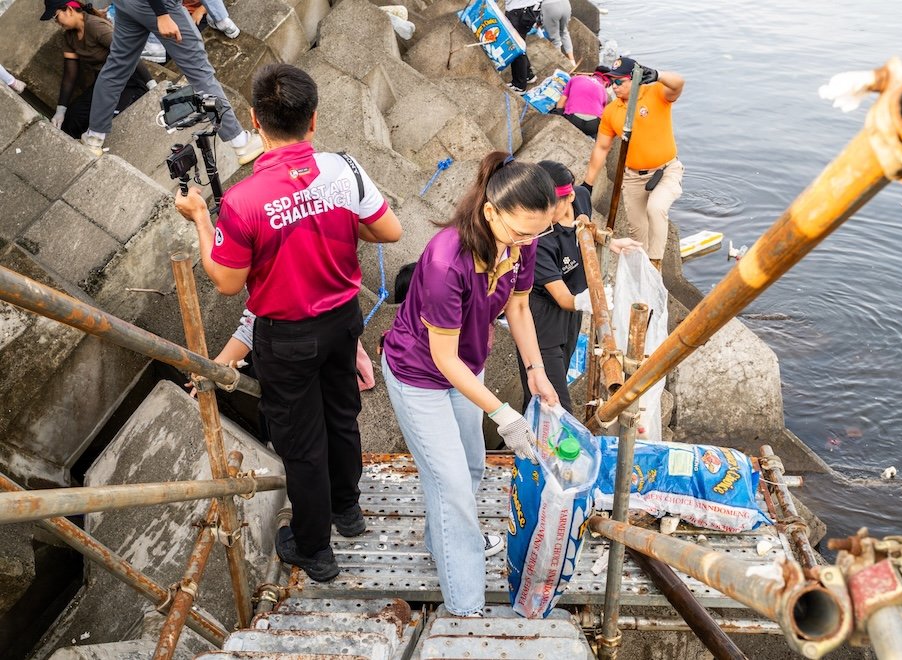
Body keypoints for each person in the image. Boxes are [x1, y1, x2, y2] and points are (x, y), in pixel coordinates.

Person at [174, 63, 403, 582]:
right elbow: (390, 230)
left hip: (286, 336)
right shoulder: (344, 169)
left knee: (301, 443)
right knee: (341, 415)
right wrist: (329, 222)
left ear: (255, 120)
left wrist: (202, 220)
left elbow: (227, 280)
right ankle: (348, 509)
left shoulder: (243, 200)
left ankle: (314, 548)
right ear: (313, 119)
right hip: (343, 320)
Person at [380, 151, 560, 617]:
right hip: (419, 375)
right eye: (521, 232)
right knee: (454, 486)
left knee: (472, 466)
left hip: (469, 364)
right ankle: (465, 609)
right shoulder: (447, 261)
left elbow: (518, 307)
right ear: (491, 212)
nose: (529, 242)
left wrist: (536, 371)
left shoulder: (521, 240)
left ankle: (440, 538)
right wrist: (503, 413)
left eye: (537, 233)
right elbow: (442, 358)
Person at [516, 161, 639, 413]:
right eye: (540, 204)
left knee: (550, 385)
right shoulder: (539, 239)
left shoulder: (581, 197)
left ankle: (531, 432)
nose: (545, 212)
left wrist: (609, 241)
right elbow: (561, 297)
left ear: (569, 196)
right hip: (543, 317)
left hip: (572, 314)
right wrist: (588, 300)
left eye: (552, 205)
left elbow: (586, 224)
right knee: (554, 402)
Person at [78, 0, 261, 164]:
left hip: (126, 5)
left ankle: (94, 137)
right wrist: (162, 14)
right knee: (200, 72)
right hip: (158, 7)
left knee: (116, 67)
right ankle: (240, 142)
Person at [582, 56, 685, 272]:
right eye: (612, 82)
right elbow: (601, 148)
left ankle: (655, 263)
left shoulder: (655, 92)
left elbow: (678, 84)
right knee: (637, 232)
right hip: (633, 177)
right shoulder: (612, 111)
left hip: (666, 170)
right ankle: (642, 271)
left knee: (656, 208)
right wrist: (587, 185)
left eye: (619, 82)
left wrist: (657, 75)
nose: (614, 86)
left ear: (634, 79)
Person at [40, 1, 154, 140]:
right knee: (73, 117)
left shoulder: (95, 26)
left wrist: (151, 84)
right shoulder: (69, 37)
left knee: (110, 119)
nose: (56, 22)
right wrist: (61, 110)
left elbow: (128, 53)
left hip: (128, 80)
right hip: (103, 82)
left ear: (69, 10)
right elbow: (70, 74)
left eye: (56, 16)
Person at [555, 66, 609, 138]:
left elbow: (561, 102)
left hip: (573, 119)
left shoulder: (576, 78)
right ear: (606, 82)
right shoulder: (604, 92)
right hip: (592, 125)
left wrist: (558, 114)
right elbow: (603, 116)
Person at [504, 0, 541, 94]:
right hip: (529, 9)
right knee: (519, 43)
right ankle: (527, 75)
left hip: (519, 10)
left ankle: (519, 85)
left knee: (515, 46)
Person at [540, 0, 575, 66]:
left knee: (555, 39)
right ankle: (572, 61)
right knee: (564, 32)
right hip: (565, 4)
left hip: (549, 5)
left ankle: (559, 64)